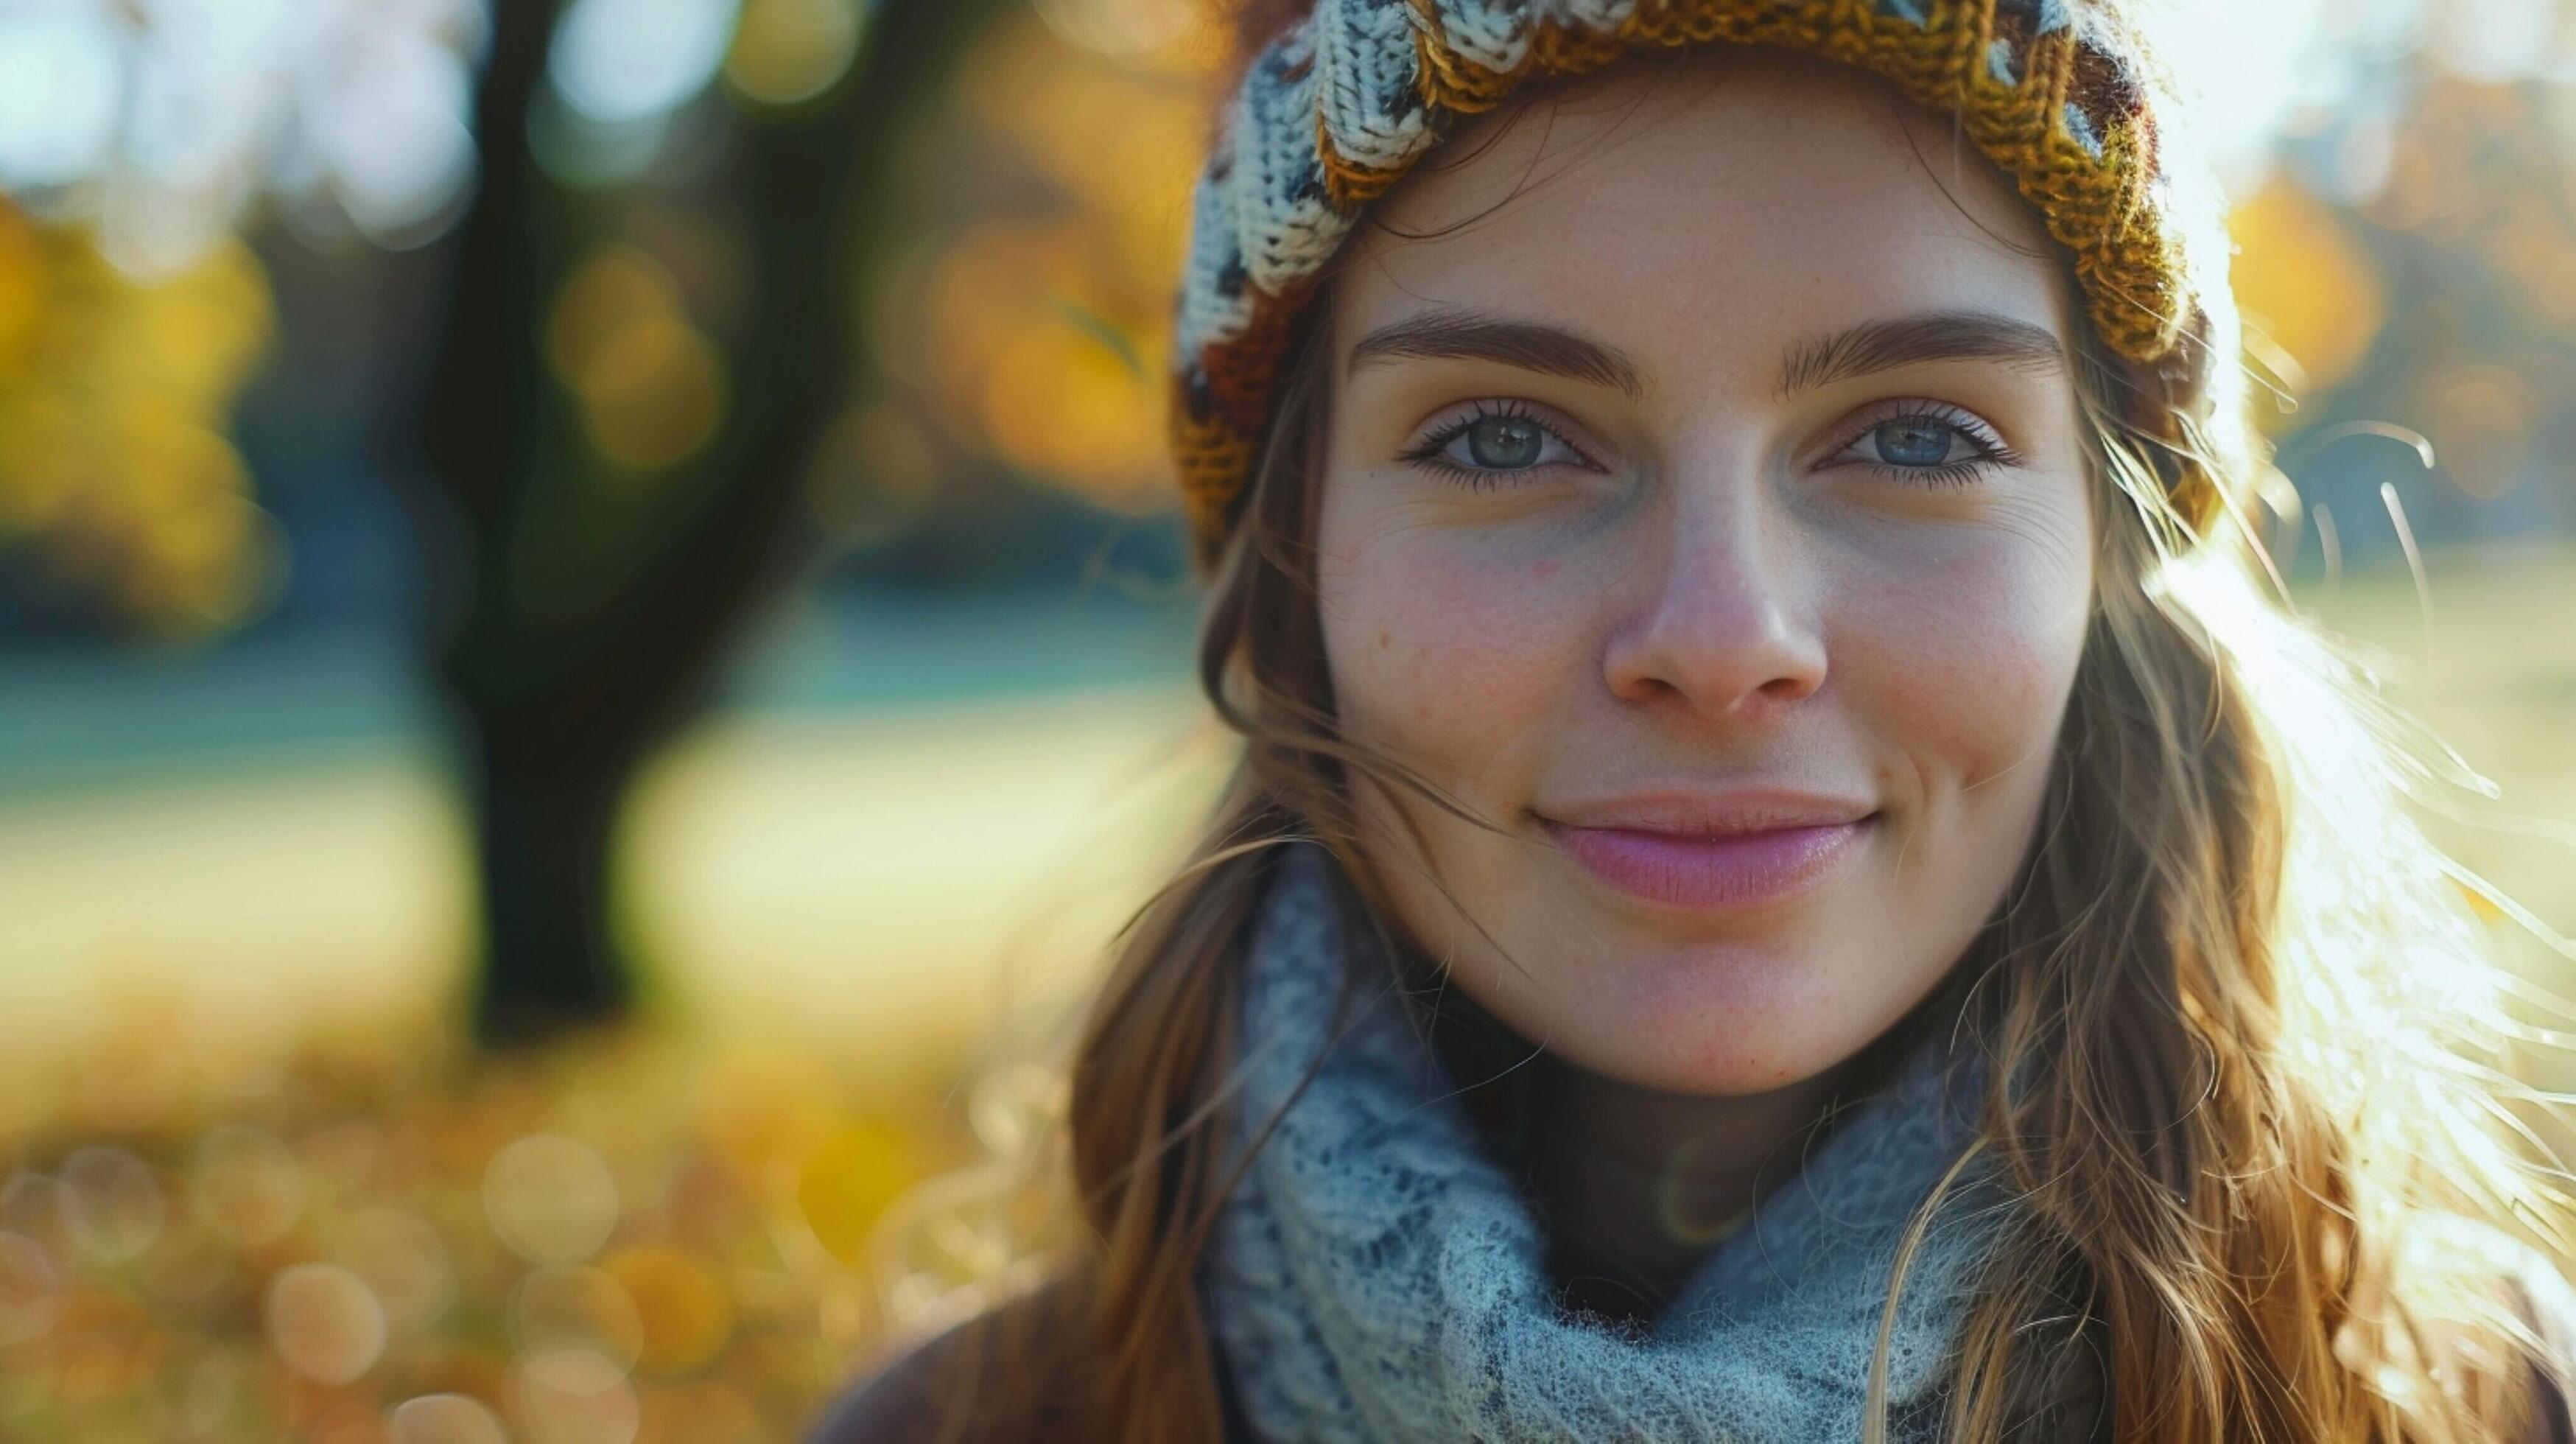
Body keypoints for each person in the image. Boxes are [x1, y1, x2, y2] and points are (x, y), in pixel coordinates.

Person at [813, 1, 2576, 1438]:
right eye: (1504, 435)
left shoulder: (2468, 1397)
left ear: (2109, 555)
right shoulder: (970, 1426)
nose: (1726, 638)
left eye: (1915, 435)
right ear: (1301, 578)